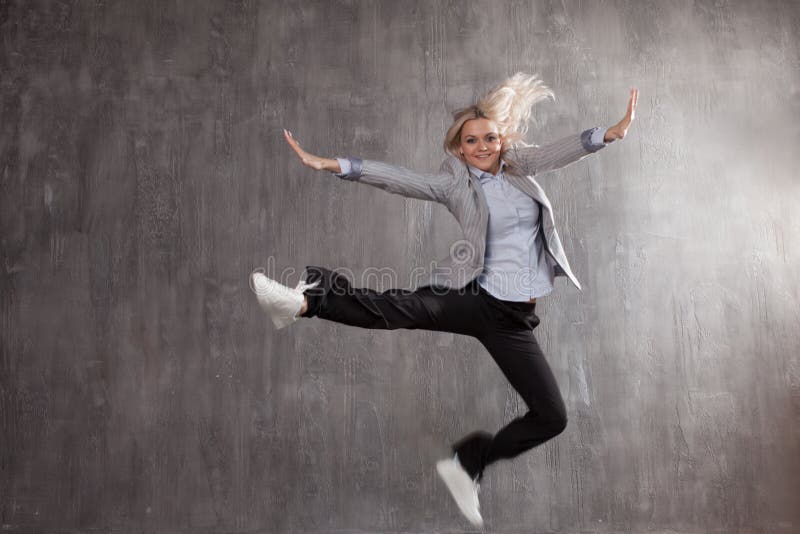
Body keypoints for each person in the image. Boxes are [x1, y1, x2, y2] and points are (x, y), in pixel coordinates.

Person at [251, 73, 638, 526]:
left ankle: (469, 461)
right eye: (471, 141)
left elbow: (559, 151)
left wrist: (607, 135)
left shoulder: (519, 165)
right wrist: (334, 165)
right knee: (400, 309)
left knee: (552, 417)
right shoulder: (457, 185)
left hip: (516, 320)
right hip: (477, 297)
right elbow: (400, 179)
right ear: (458, 147)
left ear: (501, 139)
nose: (482, 147)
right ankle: (307, 301)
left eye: (489, 138)